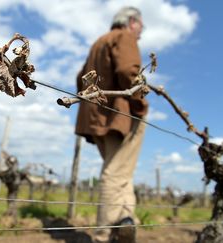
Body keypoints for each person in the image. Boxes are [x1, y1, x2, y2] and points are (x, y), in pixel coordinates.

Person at [75, 7, 148, 243]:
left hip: (97, 119)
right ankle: (104, 236)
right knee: (115, 174)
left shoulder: (98, 42)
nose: (141, 32)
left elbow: (80, 78)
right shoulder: (123, 36)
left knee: (121, 173)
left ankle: (125, 226)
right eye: (141, 27)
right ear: (132, 23)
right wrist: (140, 103)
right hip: (120, 117)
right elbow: (128, 71)